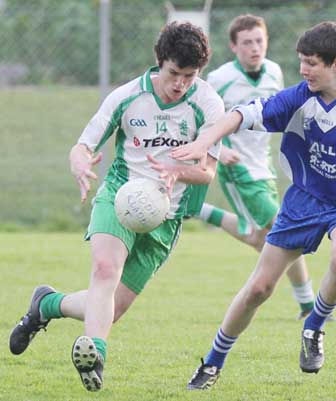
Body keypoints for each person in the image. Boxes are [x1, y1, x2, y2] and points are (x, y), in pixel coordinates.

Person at [172, 21, 336, 390]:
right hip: (303, 202)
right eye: (301, 61)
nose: (303, 70)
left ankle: (313, 327)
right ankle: (212, 363)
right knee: (259, 289)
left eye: (311, 63)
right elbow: (243, 114)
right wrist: (206, 141)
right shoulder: (299, 97)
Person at [9, 21, 224, 392]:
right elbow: (84, 145)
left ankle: (46, 306)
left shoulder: (208, 104)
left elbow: (208, 174)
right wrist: (78, 161)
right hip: (119, 196)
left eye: (190, 76)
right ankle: (96, 358)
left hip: (165, 216)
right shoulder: (127, 96)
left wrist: (178, 170)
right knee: (105, 270)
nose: (180, 85)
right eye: (174, 74)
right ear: (159, 61)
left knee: (112, 309)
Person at [196, 14, 318, 319]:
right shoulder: (220, 79)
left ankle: (198, 209)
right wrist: (218, 152)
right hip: (238, 170)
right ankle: (309, 307)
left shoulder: (274, 72)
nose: (255, 47)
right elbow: (201, 120)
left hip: (265, 167)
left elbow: (280, 112)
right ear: (234, 47)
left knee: (258, 238)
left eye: (259, 41)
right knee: (284, 231)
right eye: (247, 42)